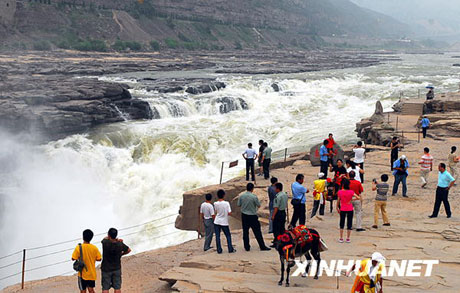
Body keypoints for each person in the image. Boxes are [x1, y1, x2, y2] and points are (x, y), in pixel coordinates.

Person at [237, 183, 271, 251]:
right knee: (257, 232)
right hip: (252, 216)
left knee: (245, 231)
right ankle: (262, 246)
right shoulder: (254, 197)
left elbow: (238, 204)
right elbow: (258, 205)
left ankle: (247, 247)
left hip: (244, 215)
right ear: (252, 189)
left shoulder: (241, 196)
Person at [101, 228, 131, 293]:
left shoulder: (105, 243)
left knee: (105, 288)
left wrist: (114, 238)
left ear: (109, 235)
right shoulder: (120, 244)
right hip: (117, 268)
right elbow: (128, 250)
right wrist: (121, 254)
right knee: (117, 288)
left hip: (106, 269)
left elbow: (105, 238)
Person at [336, 179, 360, 243]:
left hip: (343, 208)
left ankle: (341, 238)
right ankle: (348, 238)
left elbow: (338, 201)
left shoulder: (340, 192)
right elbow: (358, 197)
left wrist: (337, 207)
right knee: (349, 223)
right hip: (349, 208)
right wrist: (351, 200)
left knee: (342, 223)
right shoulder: (351, 192)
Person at [213, 189, 235, 254]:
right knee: (228, 235)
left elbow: (216, 211)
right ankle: (230, 249)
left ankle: (219, 250)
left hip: (217, 221)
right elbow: (229, 212)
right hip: (224, 221)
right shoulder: (226, 203)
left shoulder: (215, 203)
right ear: (224, 195)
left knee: (217, 236)